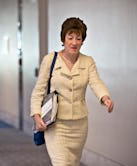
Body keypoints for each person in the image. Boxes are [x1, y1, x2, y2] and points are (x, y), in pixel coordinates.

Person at [30, 17, 114, 166]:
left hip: (79, 126)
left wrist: (105, 97)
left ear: (82, 41)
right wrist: (37, 116)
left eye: (78, 38)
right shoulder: (50, 60)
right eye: (70, 37)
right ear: (63, 39)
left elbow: (96, 82)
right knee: (61, 163)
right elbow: (38, 91)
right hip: (56, 125)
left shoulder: (88, 61)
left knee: (73, 163)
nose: (74, 42)